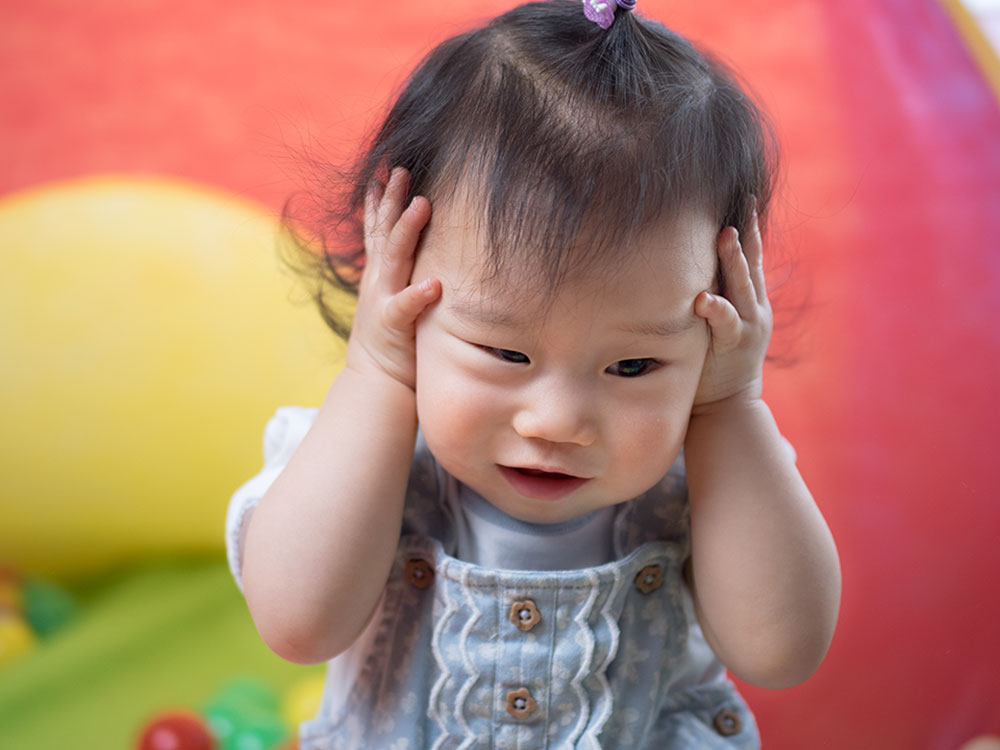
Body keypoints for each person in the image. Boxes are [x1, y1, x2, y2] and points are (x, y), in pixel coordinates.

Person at [226, 1, 842, 746]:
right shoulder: (360, 459)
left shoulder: (712, 480)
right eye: (504, 354)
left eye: (633, 365)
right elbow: (299, 623)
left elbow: (782, 652)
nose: (556, 422)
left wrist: (732, 407)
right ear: (401, 288)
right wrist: (377, 371)